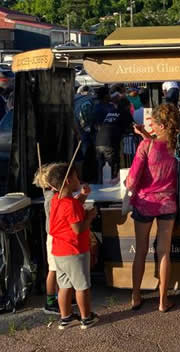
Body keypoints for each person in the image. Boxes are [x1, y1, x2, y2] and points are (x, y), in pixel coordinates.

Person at [126, 103, 180, 313]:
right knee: (164, 251)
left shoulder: (146, 146)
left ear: (161, 125)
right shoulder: (176, 146)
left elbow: (132, 180)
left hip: (144, 203)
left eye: (154, 123)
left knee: (141, 250)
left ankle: (136, 295)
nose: (151, 126)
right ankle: (163, 300)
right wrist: (146, 135)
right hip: (168, 202)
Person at [46, 162, 99, 330]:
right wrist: (89, 217)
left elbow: (72, 210)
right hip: (75, 251)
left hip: (60, 252)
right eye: (76, 177)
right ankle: (86, 318)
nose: (79, 180)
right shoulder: (70, 205)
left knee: (64, 286)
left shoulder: (57, 200)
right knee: (82, 286)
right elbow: (78, 228)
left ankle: (66, 317)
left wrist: (82, 196)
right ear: (69, 181)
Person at [33, 163, 61, 315]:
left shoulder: (51, 195)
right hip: (54, 237)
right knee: (54, 269)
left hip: (56, 236)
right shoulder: (52, 198)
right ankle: (50, 302)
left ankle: (60, 296)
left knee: (58, 269)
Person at [93, 87, 123, 183]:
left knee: (100, 166)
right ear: (106, 96)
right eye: (109, 94)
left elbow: (93, 125)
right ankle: (110, 185)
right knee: (111, 165)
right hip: (110, 141)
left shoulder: (96, 107)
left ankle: (100, 184)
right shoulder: (110, 108)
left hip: (98, 141)